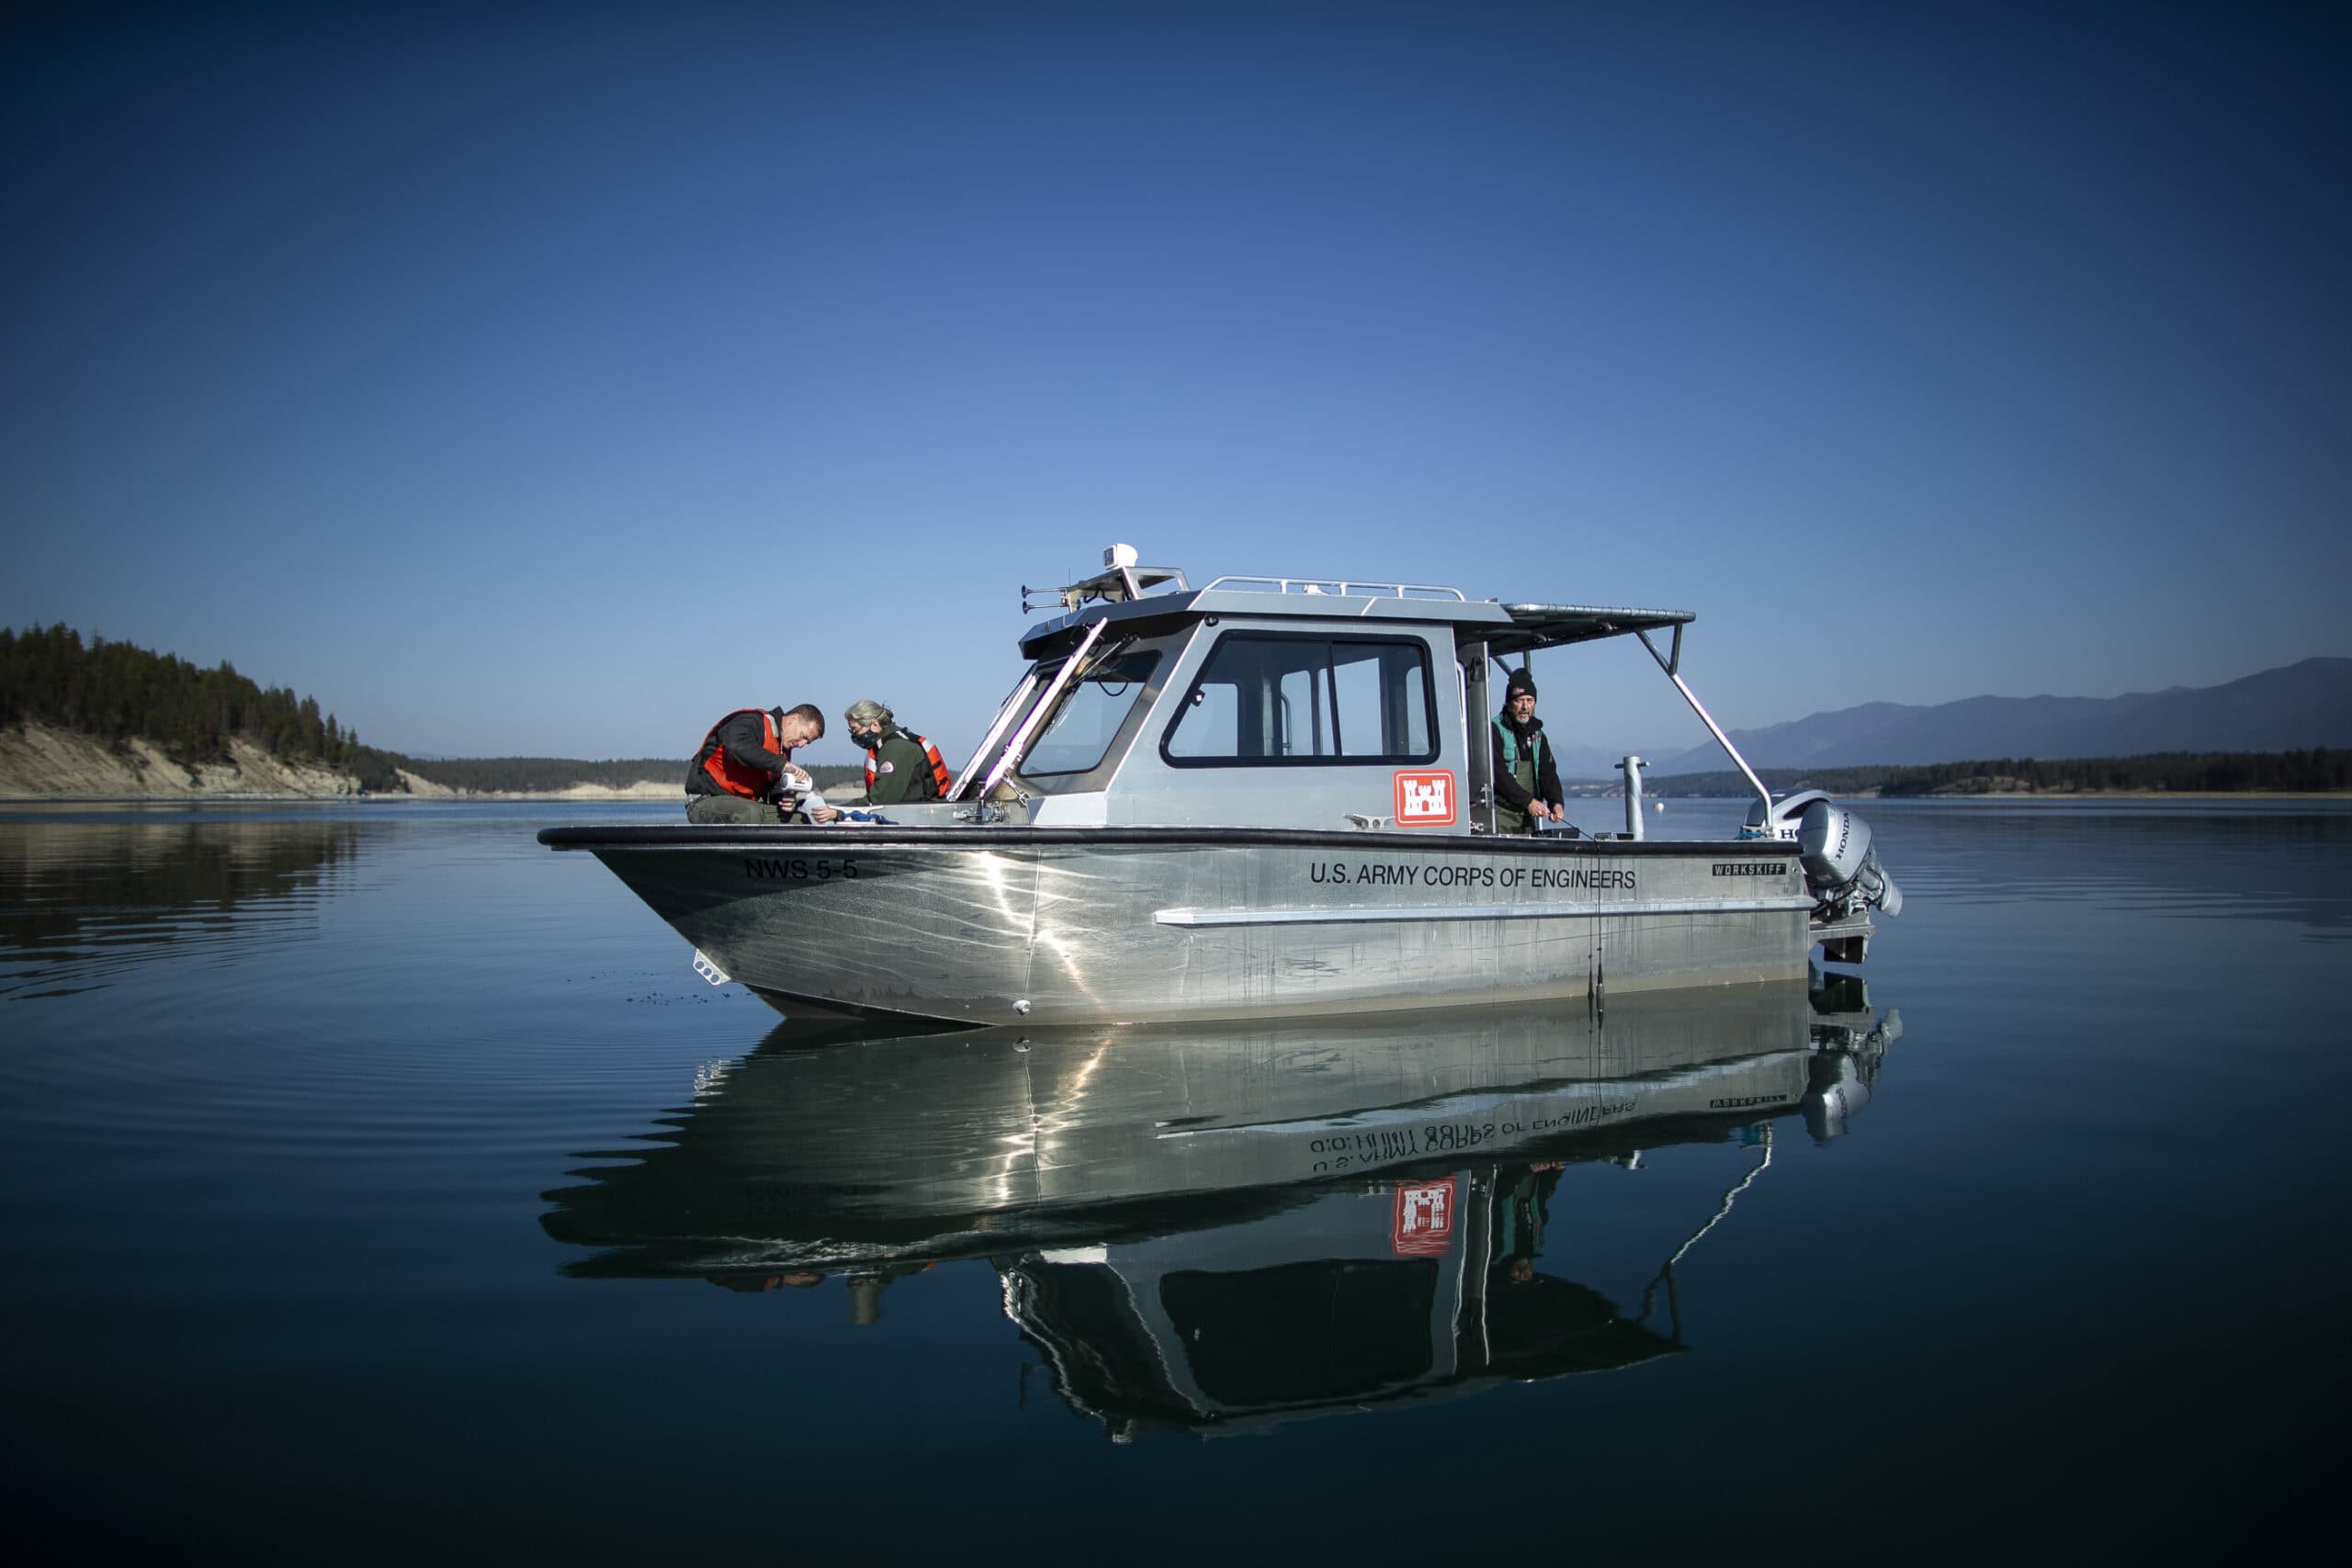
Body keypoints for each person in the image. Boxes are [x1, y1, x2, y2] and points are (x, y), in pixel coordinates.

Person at [683, 704, 826, 823]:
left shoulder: (782, 749)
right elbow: (736, 746)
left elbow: (773, 791)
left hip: (745, 805)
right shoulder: (753, 722)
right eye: (803, 737)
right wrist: (782, 765)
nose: (801, 745)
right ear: (793, 720)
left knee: (800, 820)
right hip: (705, 801)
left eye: (807, 743)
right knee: (750, 813)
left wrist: (785, 800)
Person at [836, 699, 952, 807]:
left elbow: (882, 799)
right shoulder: (891, 742)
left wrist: (838, 811)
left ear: (875, 725)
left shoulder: (895, 748)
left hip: (919, 817)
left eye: (855, 730)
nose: (854, 735)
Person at [1490, 667, 1564, 834]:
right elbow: (1498, 774)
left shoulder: (1538, 735)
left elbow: (1548, 774)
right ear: (1509, 704)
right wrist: (1529, 801)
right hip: (1500, 813)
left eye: (1530, 700)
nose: (1525, 707)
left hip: (1527, 816)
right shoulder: (1494, 729)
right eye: (1519, 700)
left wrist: (1556, 803)